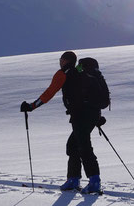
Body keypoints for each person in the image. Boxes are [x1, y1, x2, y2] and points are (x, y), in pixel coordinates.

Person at [21, 51, 104, 194]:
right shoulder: (81, 72)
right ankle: (73, 179)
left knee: (83, 146)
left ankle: (93, 181)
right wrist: (95, 117)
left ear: (65, 60)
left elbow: (49, 92)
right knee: (74, 145)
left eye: (61, 59)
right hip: (91, 114)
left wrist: (31, 106)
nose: (59, 62)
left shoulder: (63, 73)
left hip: (80, 115)